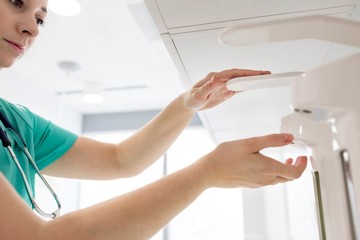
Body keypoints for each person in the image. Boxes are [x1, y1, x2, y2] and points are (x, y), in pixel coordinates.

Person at [0, 0, 308, 239]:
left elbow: (119, 160)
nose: (34, 28)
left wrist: (187, 105)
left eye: (40, 19)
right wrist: (206, 173)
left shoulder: (13, 122)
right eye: (16, 2)